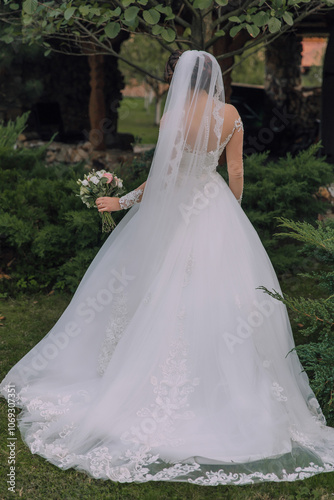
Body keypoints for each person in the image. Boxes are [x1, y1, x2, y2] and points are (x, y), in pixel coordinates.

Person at [1, 50, 334, 486]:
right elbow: (236, 172)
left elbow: (161, 177)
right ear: (211, 77)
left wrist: (122, 202)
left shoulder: (173, 116)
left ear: (178, 79)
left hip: (176, 207)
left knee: (164, 291)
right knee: (226, 298)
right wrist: (229, 216)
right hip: (214, 206)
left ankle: (144, 380)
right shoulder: (230, 113)